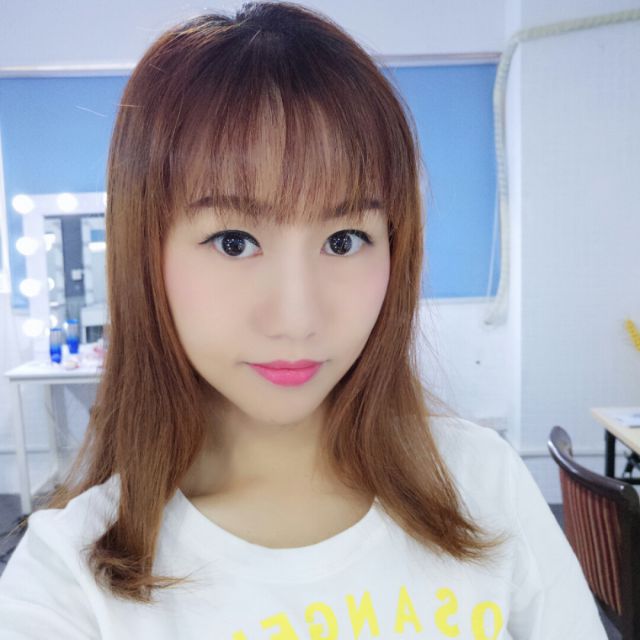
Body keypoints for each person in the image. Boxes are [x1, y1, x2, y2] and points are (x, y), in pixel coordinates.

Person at [0, 2, 608, 638]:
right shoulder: (70, 578)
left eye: (344, 240)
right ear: (145, 258)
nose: (296, 319)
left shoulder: (483, 481)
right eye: (234, 241)